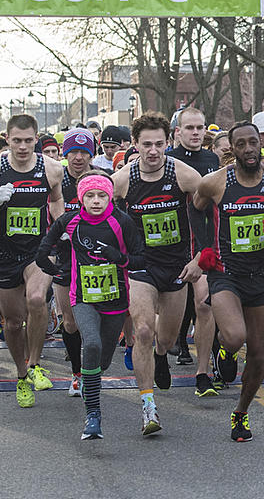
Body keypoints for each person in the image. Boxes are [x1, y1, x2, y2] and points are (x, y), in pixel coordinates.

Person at [189, 121, 264, 442]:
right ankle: (226, 353)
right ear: (232, 148)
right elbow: (196, 209)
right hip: (225, 272)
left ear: (261, 146)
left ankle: (241, 413)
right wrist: (204, 247)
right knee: (234, 336)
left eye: (253, 143)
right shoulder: (215, 183)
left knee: (258, 355)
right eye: (241, 144)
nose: (248, 149)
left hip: (260, 274)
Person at [0, 114, 64, 409]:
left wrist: (62, 224)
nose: (22, 147)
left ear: (36, 139)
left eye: (28, 141)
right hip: (4, 253)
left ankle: (35, 365)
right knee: (13, 323)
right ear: (7, 139)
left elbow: (57, 200)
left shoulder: (51, 168)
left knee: (36, 300)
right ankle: (21, 375)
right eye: (16, 141)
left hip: (39, 250)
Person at [112, 112, 205, 435]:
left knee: (165, 339)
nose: (153, 151)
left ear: (169, 142)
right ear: (134, 145)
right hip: (140, 266)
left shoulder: (184, 175)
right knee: (143, 332)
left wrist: (199, 258)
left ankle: (162, 355)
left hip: (176, 266)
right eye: (146, 145)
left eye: (159, 144)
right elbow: (100, 216)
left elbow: (210, 214)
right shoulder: (123, 180)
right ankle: (148, 406)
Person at [37, 173, 143, 440]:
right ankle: (93, 415)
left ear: (110, 197)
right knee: (91, 345)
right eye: (90, 196)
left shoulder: (121, 221)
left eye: (102, 195)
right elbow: (45, 245)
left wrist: (119, 257)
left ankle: (91, 379)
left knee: (103, 359)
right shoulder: (70, 220)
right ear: (82, 198)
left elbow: (141, 258)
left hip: (117, 299)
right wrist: (49, 265)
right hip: (82, 297)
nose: (96, 201)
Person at [167, 106, 221, 384]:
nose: (196, 132)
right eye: (190, 128)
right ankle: (159, 352)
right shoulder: (166, 160)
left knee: (204, 304)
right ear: (178, 132)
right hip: (171, 246)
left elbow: (214, 206)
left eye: (200, 127)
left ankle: (203, 371)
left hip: (202, 243)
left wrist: (208, 245)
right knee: (167, 315)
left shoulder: (213, 159)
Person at [53, 127, 99, 396]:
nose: (79, 157)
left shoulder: (100, 179)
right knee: (69, 322)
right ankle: (77, 374)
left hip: (96, 259)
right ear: (65, 153)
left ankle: (93, 370)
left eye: (84, 152)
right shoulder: (57, 180)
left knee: (94, 321)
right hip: (65, 257)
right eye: (74, 152)